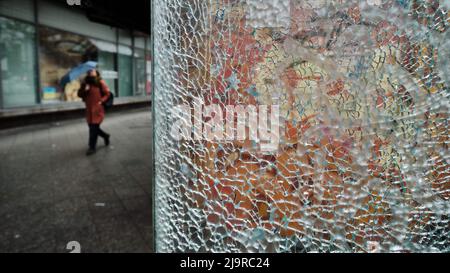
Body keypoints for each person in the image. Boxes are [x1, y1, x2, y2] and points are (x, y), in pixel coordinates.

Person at [77, 69, 111, 156]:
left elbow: (107, 93)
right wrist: (85, 90)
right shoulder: (85, 83)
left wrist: (101, 101)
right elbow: (79, 94)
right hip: (89, 109)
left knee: (93, 129)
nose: (91, 72)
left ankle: (92, 147)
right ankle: (105, 136)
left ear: (96, 72)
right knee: (93, 128)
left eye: (93, 71)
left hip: (98, 109)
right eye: (89, 71)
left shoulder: (100, 82)